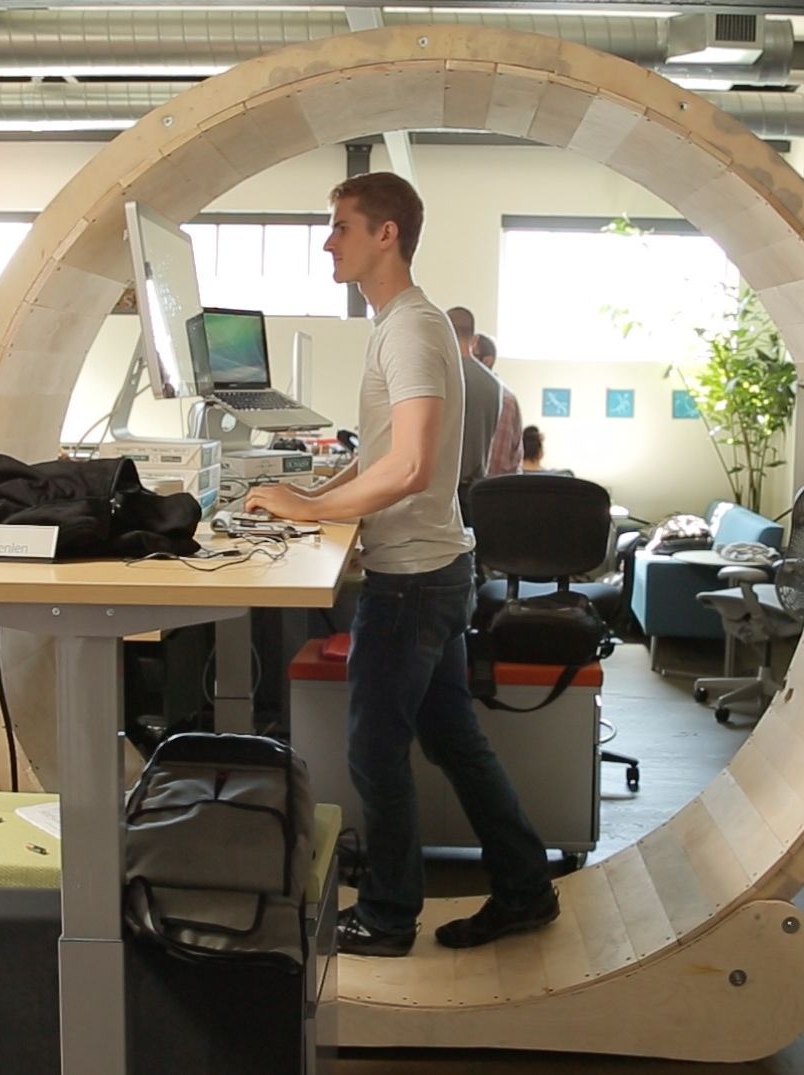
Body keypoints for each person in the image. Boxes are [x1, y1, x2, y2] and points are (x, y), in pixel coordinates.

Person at [245, 172, 558, 958]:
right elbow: (385, 455)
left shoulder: (411, 328)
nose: (328, 241)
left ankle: (387, 917)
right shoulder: (400, 323)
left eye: (341, 226)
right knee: (453, 739)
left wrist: (311, 513)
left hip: (414, 579)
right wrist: (313, 489)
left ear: (387, 234)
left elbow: (414, 464)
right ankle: (525, 887)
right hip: (436, 566)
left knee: (374, 750)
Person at [445, 306, 501, 514]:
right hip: (474, 494)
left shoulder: (441, 377)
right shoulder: (493, 384)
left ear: (443, 331)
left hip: (440, 495)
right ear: (474, 339)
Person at [472, 334, 523, 477]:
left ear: (487, 361)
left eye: (472, 356)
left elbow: (495, 466)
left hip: (489, 493)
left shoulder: (502, 400)